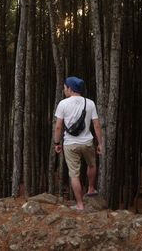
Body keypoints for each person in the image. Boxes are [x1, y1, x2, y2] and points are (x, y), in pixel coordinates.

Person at [53, 76, 103, 211]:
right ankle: (91, 188)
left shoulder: (63, 104)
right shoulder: (90, 103)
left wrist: (56, 143)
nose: (64, 90)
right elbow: (96, 125)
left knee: (74, 174)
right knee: (92, 165)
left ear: (70, 88)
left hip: (70, 144)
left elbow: (58, 127)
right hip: (87, 142)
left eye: (65, 87)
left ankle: (80, 205)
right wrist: (100, 143)